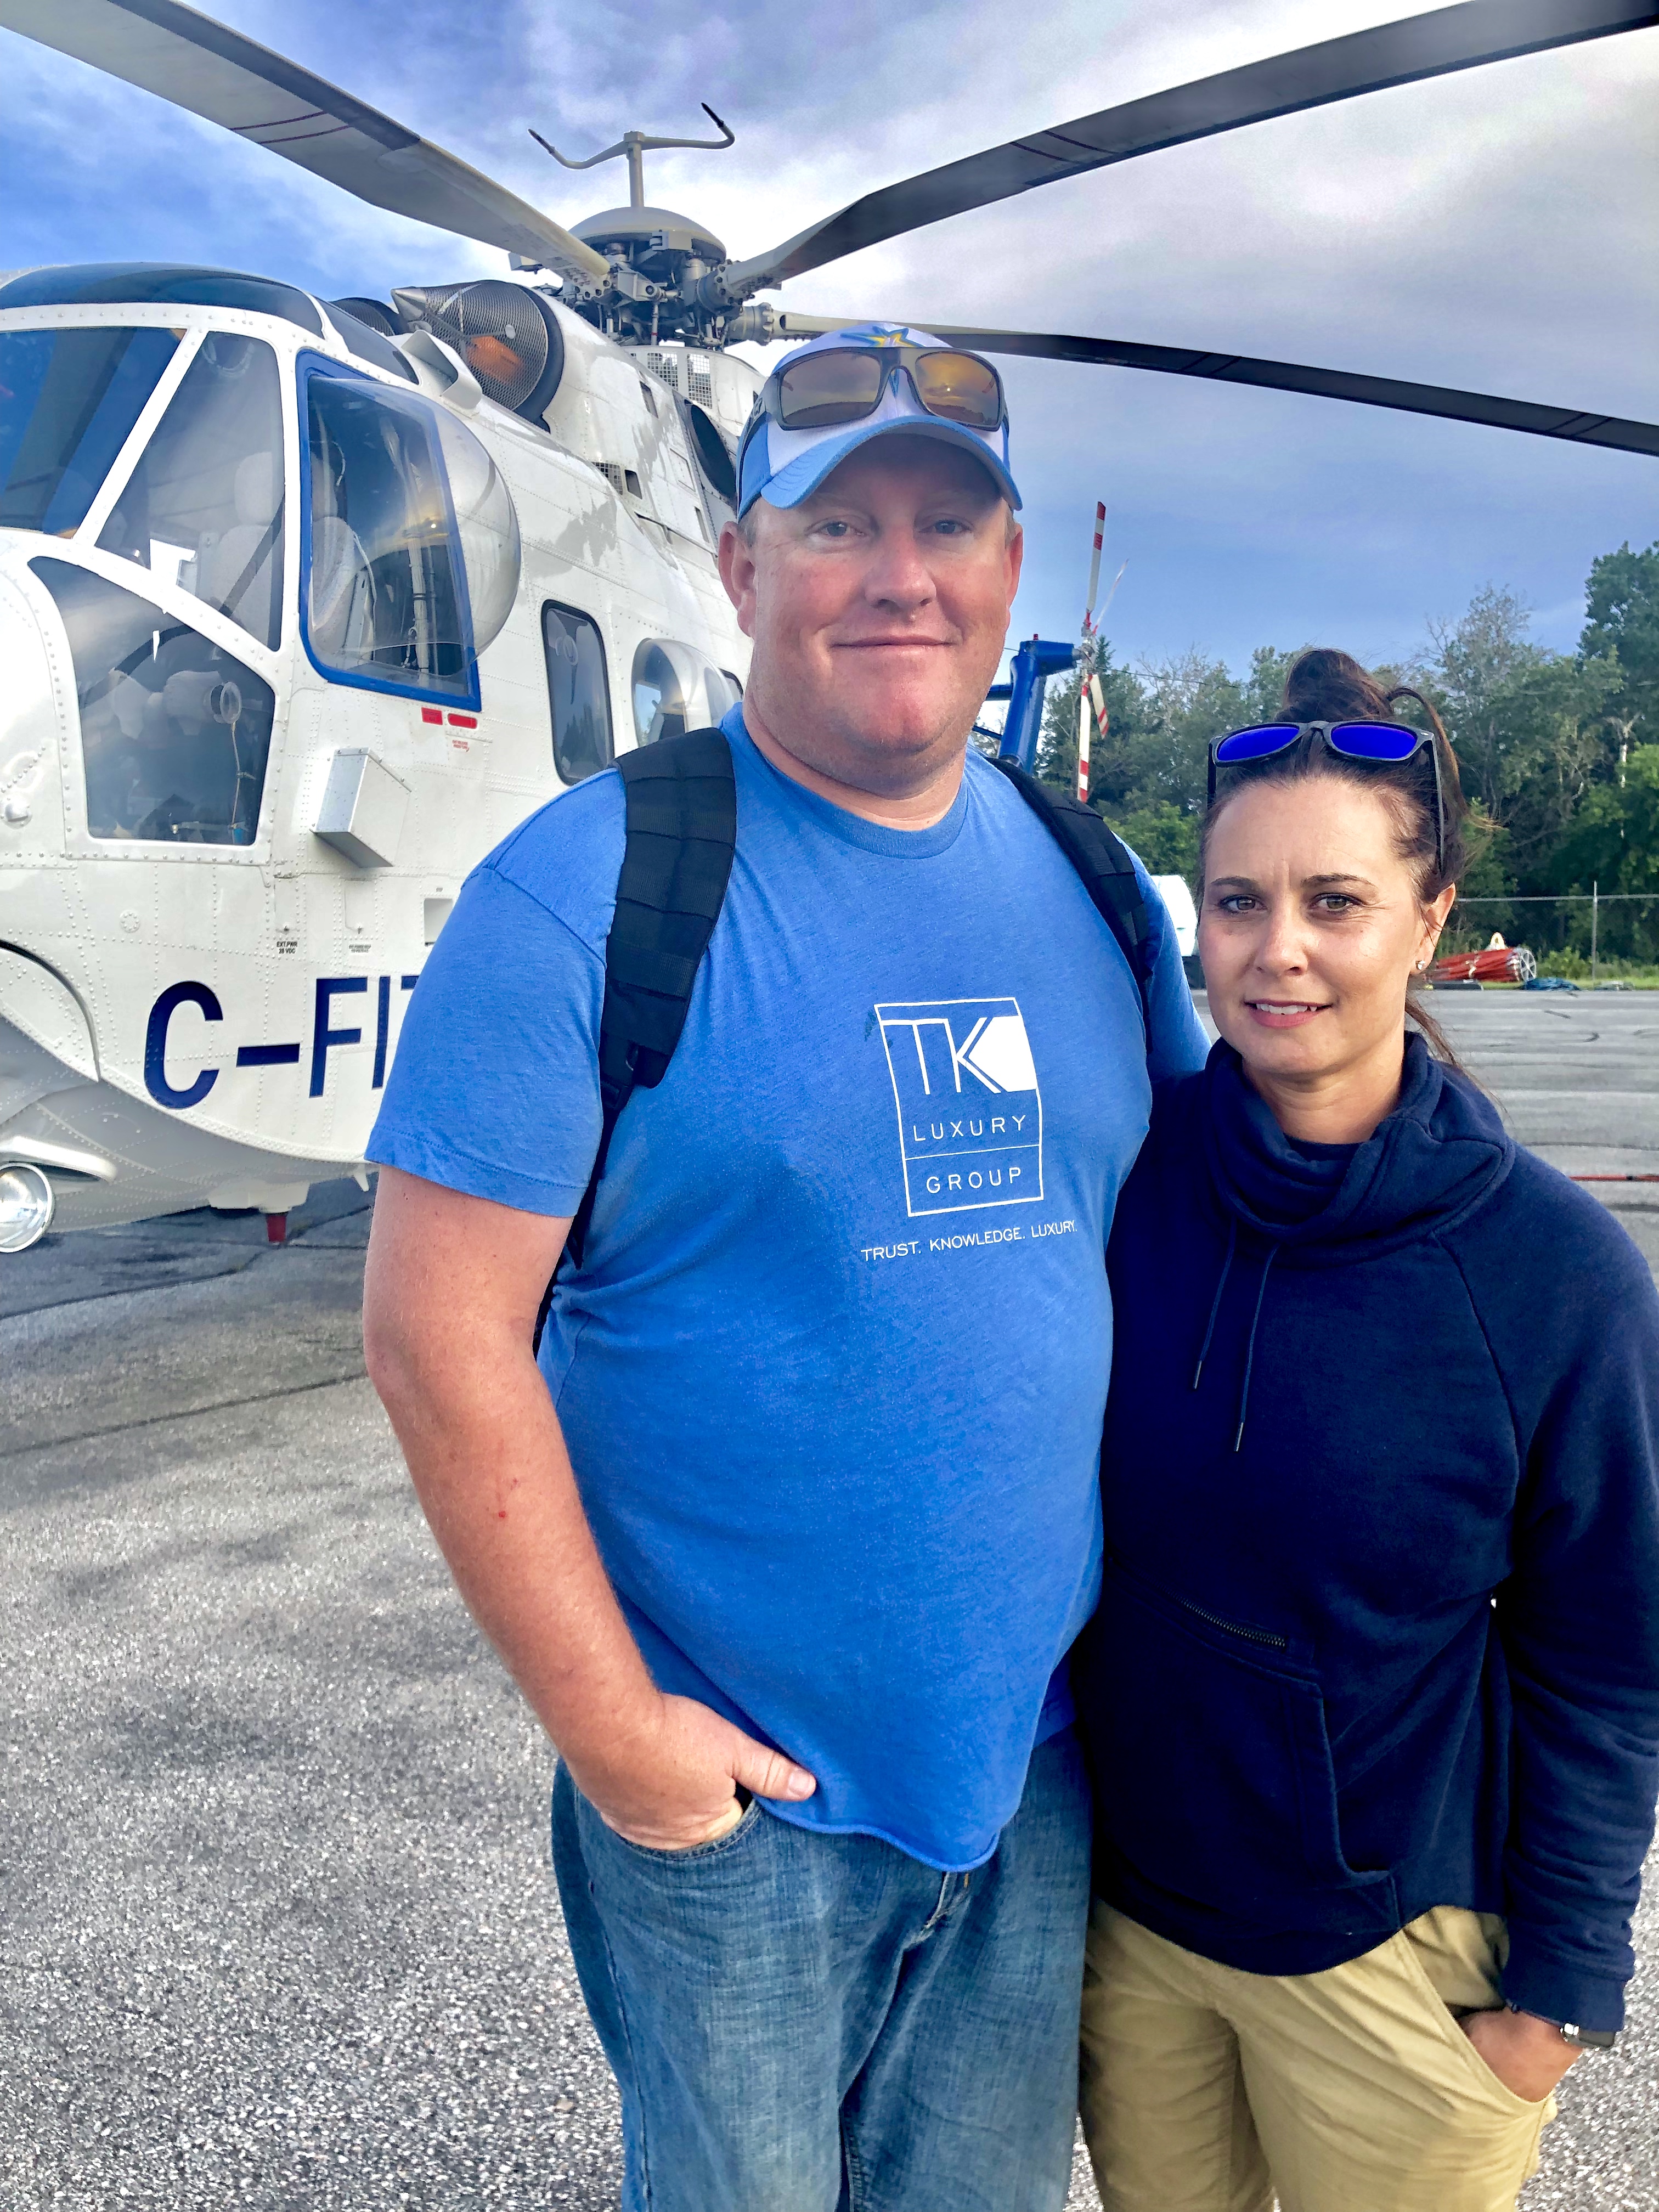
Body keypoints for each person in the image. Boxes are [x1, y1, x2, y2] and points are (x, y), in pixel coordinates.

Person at [362, 323, 1208, 2212]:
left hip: (1035, 1775)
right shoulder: (586, 895)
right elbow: (433, 1340)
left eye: (946, 526)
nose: (901, 576)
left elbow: (1186, 1239)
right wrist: (624, 1747)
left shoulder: (1094, 889)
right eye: (836, 527)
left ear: (1007, 573)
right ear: (742, 572)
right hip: (738, 1807)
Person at [1074, 648, 1659, 2212]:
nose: (1278, 950)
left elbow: (1609, 1660)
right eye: (1238, 902)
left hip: (1395, 1964)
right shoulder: (1122, 1182)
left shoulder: (1550, 1277)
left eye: (1335, 902)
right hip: (1136, 1936)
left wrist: (1558, 2003)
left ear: (1429, 919)